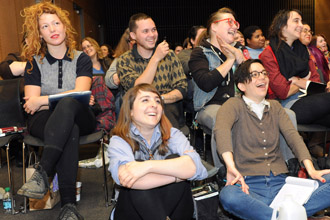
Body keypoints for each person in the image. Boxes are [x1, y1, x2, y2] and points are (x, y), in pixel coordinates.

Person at [214, 59, 330, 220]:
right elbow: (221, 130)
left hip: (283, 186)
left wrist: (311, 170)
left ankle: (279, 216)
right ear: (241, 86)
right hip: (250, 188)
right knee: (228, 195)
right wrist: (231, 166)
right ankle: (286, 216)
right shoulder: (233, 104)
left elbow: (293, 137)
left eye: (264, 73)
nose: (262, 78)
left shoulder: (275, 107)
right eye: (254, 75)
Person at [17, 2, 96, 219]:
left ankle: (44, 171)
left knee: (69, 105)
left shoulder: (81, 58)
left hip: (82, 115)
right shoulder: (34, 62)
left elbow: (79, 95)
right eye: (45, 26)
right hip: (44, 121)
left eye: (56, 23)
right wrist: (69, 96)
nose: (52, 29)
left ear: (64, 26)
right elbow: (30, 104)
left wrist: (43, 100)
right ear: (39, 34)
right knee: (68, 127)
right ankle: (69, 207)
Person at [108, 83, 207, 220]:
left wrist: (147, 166)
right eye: (145, 100)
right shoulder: (119, 140)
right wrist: (178, 176)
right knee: (145, 177)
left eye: (157, 101)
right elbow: (129, 179)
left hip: (171, 205)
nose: (154, 104)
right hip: (132, 212)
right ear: (130, 110)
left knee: (173, 158)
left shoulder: (172, 134)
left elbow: (198, 168)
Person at [188, 7, 246, 168]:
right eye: (229, 22)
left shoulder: (239, 51)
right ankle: (225, 173)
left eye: (235, 23)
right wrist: (229, 60)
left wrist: (242, 62)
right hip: (210, 106)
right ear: (214, 27)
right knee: (221, 120)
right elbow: (206, 83)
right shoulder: (200, 53)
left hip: (238, 103)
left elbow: (255, 83)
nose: (235, 26)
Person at [259, 9, 330, 129]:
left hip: (313, 99)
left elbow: (316, 83)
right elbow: (283, 92)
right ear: (282, 26)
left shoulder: (303, 50)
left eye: (301, 21)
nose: (301, 26)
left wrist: (296, 81)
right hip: (288, 106)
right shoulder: (268, 54)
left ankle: (312, 147)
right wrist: (305, 82)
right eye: (296, 21)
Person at [117, 13, 188, 131]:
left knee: (163, 112)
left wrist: (159, 100)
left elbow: (182, 89)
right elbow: (138, 89)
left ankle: (167, 147)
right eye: (145, 31)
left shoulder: (169, 55)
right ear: (133, 35)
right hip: (138, 109)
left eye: (154, 30)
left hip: (167, 107)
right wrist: (156, 58)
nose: (152, 35)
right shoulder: (124, 60)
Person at [104, 28, 135, 118]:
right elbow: (109, 80)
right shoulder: (120, 59)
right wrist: (119, 76)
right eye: (131, 41)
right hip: (127, 98)